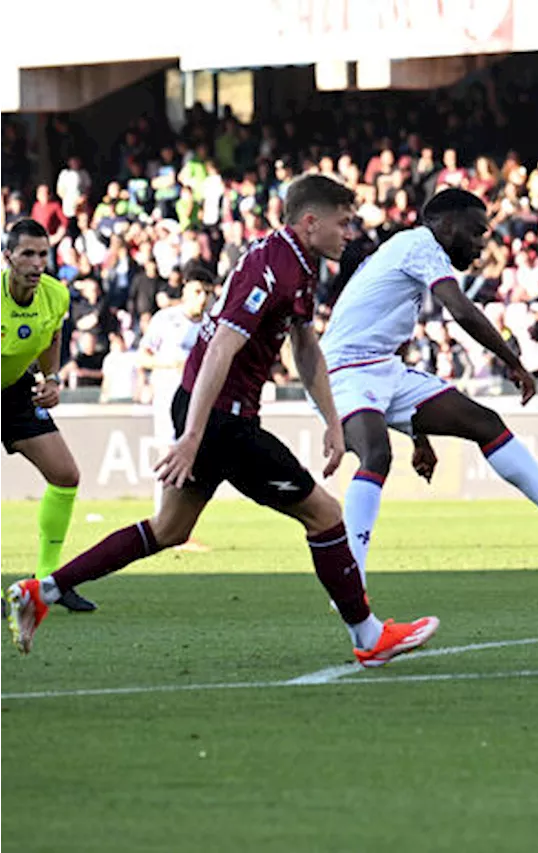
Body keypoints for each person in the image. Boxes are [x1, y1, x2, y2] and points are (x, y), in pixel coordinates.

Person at [5, 176, 438, 668]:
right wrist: (192, 436)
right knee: (325, 515)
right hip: (221, 420)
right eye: (343, 223)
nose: (349, 233)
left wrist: (333, 422)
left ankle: (43, 591)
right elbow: (220, 349)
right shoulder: (273, 267)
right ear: (310, 221)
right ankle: (368, 636)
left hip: (214, 414)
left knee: (168, 529)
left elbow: (305, 345)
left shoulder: (299, 262)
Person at [316, 188, 538, 584]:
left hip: (384, 368)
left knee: (485, 422)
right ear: (447, 224)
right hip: (342, 370)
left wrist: (418, 434)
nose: (482, 243)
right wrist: (514, 362)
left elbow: (393, 338)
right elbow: (463, 311)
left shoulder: (408, 252)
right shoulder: (420, 243)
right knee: (376, 455)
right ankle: (349, 577)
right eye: (477, 231)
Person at [0, 219, 94, 613]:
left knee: (65, 475)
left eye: (43, 254)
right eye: (27, 254)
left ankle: (47, 582)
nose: (38, 263)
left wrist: (51, 378)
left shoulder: (55, 295)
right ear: (8, 258)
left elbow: (52, 336)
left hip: (16, 393)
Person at [137, 262, 215, 551]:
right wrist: (172, 365)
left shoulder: (212, 325)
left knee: (192, 461)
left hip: (199, 404)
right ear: (184, 291)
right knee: (170, 456)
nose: (203, 298)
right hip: (168, 399)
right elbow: (143, 357)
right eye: (197, 291)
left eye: (208, 292)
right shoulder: (165, 319)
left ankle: (177, 527)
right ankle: (164, 524)